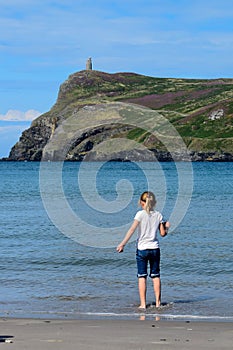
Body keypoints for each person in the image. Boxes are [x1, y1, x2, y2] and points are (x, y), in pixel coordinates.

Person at [116, 191, 170, 310]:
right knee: (156, 276)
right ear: (154, 203)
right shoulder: (158, 215)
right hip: (155, 248)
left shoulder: (139, 215)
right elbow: (162, 234)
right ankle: (158, 303)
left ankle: (143, 304)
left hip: (142, 249)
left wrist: (122, 244)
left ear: (141, 202)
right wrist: (166, 227)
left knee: (142, 276)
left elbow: (131, 230)